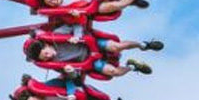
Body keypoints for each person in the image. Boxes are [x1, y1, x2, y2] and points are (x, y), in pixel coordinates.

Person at [25, 30, 163, 77]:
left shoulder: (56, 35)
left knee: (115, 47)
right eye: (45, 58)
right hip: (89, 60)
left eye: (46, 53)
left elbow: (75, 25)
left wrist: (76, 36)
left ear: (46, 45)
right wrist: (71, 72)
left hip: (92, 44)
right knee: (112, 72)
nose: (48, 56)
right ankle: (133, 67)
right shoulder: (55, 63)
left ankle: (143, 45)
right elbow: (71, 74)